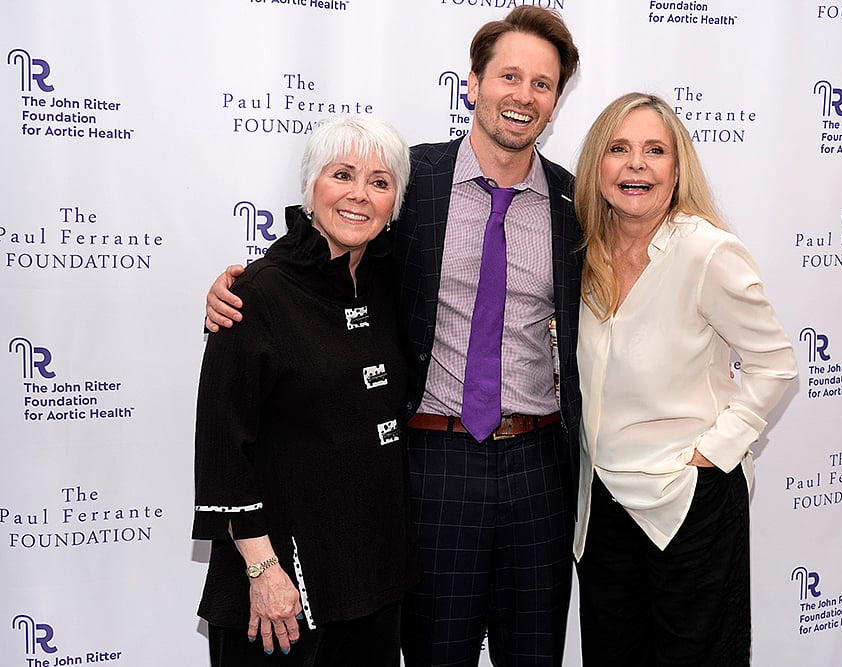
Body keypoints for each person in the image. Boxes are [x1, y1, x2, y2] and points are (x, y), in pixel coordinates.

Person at [204, 7, 582, 666]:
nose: (523, 95)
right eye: (509, 76)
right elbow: (329, 253)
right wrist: (242, 285)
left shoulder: (572, 205)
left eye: (542, 84)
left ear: (555, 103)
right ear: (473, 83)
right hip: (433, 464)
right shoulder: (412, 183)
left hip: (539, 466)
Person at [571, 92, 798, 666]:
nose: (636, 164)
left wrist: (713, 452)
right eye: (618, 149)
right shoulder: (581, 253)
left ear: (677, 169)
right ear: (597, 166)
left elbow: (775, 364)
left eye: (655, 150)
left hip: (687, 500)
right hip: (600, 509)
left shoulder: (706, 252)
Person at [192, 115, 421, 667]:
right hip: (280, 587)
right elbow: (224, 449)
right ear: (310, 185)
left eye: (380, 182)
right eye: (342, 175)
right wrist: (263, 571)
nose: (359, 195)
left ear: (396, 202)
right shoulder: (255, 295)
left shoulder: (392, 281)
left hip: (372, 575)